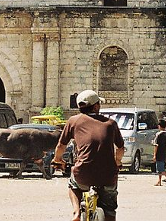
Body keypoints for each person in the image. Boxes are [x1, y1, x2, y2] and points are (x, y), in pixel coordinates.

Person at [53, 90, 125, 221]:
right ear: (96, 106)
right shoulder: (110, 123)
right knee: (110, 209)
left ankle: (76, 212)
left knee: (73, 185)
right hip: (107, 175)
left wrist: (57, 160)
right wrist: (117, 162)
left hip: (83, 173)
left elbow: (61, 146)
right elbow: (120, 148)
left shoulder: (73, 121)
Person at [152, 119, 166, 186]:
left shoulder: (158, 134)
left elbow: (156, 146)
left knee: (160, 168)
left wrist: (154, 155)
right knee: (161, 168)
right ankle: (159, 181)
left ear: (159, 126)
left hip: (159, 153)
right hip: (164, 152)